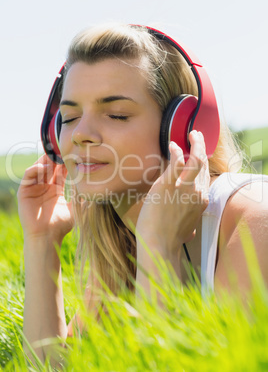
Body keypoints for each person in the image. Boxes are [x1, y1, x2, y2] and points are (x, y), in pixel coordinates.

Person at [17, 23, 268, 364]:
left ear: (181, 128)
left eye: (116, 114)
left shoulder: (256, 222)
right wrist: (41, 241)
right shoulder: (119, 248)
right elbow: (51, 369)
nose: (81, 135)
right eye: (70, 116)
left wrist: (159, 249)